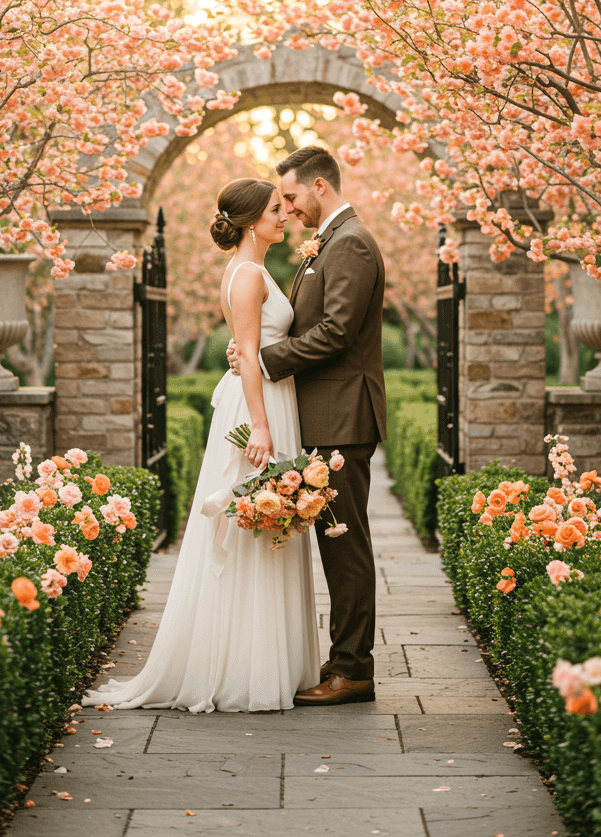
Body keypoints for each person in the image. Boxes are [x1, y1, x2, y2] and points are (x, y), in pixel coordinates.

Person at [83, 177, 319, 714]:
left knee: (265, 524)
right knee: (249, 526)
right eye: (276, 210)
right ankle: (243, 669)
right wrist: (260, 427)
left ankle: (270, 662)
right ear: (252, 219)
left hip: (267, 398)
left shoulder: (253, 271)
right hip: (257, 407)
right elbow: (253, 356)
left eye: (284, 208)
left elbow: (250, 351)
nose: (285, 216)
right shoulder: (247, 275)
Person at [231, 144, 385, 706]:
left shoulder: (351, 244)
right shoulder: (332, 242)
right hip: (323, 412)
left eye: (292, 196)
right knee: (333, 540)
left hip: (342, 417)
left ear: (320, 186)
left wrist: (268, 360)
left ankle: (353, 670)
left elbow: (338, 332)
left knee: (345, 544)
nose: (289, 208)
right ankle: (344, 658)